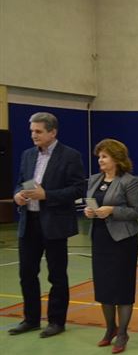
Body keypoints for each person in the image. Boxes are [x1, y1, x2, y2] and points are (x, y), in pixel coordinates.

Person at [10, 112, 85, 338]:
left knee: (57, 275)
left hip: (55, 224)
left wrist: (47, 195)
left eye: (38, 131)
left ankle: (56, 321)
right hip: (29, 223)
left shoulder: (70, 156)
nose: (34, 135)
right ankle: (31, 319)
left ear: (53, 132)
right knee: (27, 273)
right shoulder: (27, 155)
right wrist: (18, 195)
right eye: (32, 131)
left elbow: (78, 189)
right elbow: (20, 183)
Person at [84, 139, 138, 353]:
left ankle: (123, 333)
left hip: (123, 242)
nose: (100, 160)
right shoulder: (94, 179)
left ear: (117, 158)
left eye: (104, 156)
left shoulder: (129, 181)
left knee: (122, 288)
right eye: (99, 156)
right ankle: (110, 329)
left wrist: (112, 210)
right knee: (104, 286)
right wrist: (89, 211)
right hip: (100, 238)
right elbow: (90, 203)